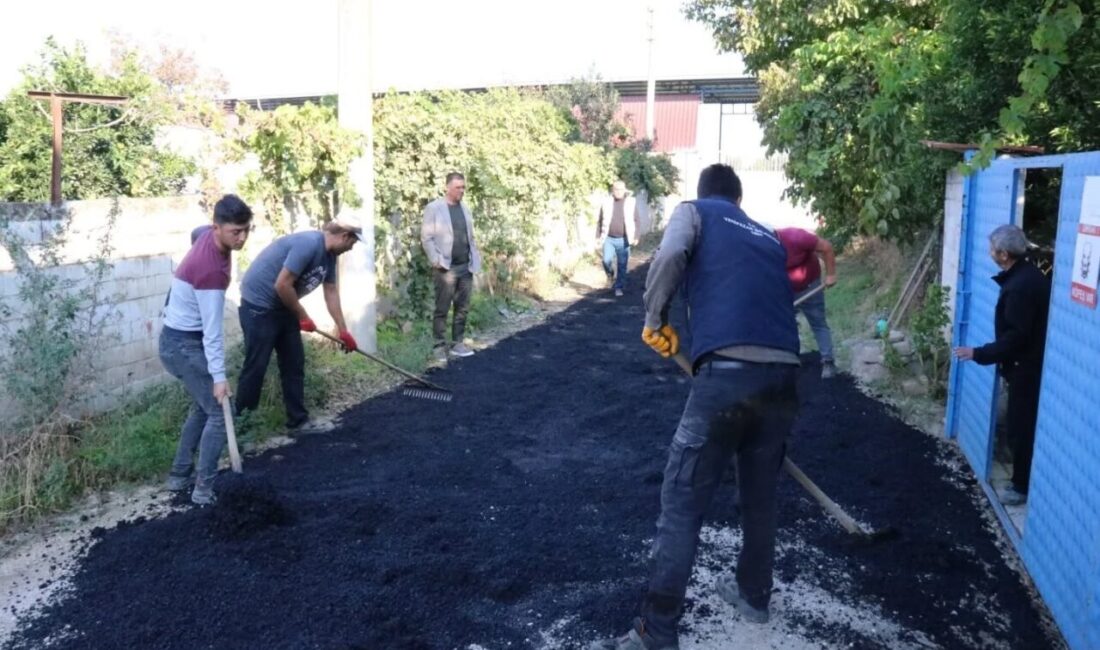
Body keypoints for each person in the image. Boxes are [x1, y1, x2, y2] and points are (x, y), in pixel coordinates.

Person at [592, 164, 801, 650]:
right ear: (739, 200)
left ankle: (657, 630)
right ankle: (754, 595)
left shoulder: (695, 212)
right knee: (760, 496)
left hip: (727, 377)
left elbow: (670, 255)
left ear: (705, 193)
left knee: (682, 501)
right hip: (786, 376)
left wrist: (655, 318)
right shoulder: (767, 236)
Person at [159, 194, 253, 505]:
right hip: (183, 345)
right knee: (220, 410)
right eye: (235, 232)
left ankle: (179, 474)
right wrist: (220, 378)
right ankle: (203, 490)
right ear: (217, 228)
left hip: (177, 340)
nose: (241, 238)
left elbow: (196, 232)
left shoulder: (206, 235)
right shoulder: (211, 271)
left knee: (203, 408)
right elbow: (213, 333)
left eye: (246, 230)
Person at [235, 215, 365, 430]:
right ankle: (243, 426)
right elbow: (282, 285)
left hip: (284, 306)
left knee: (294, 364)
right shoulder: (309, 245)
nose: (351, 248)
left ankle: (298, 421)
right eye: (353, 242)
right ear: (345, 236)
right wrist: (303, 316)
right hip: (259, 307)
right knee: (256, 366)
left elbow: (331, 291)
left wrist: (343, 331)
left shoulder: (330, 256)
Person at [955, 224, 1051, 506]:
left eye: (992, 249)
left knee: (1021, 426)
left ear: (1004, 254)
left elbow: (1016, 337)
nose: (990, 253)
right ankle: (1021, 473)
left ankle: (1020, 486)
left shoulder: (1020, 287)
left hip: (1026, 367)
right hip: (1026, 363)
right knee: (1020, 422)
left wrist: (978, 353)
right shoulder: (1027, 274)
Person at [421, 172, 482, 359]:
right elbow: (426, 237)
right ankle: (439, 346)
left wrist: (474, 257)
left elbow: (470, 236)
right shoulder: (434, 208)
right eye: (458, 187)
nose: (461, 191)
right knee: (442, 308)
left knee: (462, 307)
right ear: (447, 187)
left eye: (463, 187)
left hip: (466, 266)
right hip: (446, 268)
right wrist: (435, 260)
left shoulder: (465, 209)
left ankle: (457, 343)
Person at [776, 227, 838, 378]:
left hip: (811, 286)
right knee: (786, 325)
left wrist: (831, 275)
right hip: (785, 291)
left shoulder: (796, 237)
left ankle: (828, 361)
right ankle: (791, 360)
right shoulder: (763, 247)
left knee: (818, 323)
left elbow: (826, 247)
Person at [596, 180, 640, 297]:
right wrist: (598, 235)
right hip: (609, 238)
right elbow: (600, 220)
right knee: (606, 260)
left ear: (625, 190)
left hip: (624, 239)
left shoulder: (630, 202)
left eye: (621, 189)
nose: (619, 192)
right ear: (613, 190)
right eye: (616, 189)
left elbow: (637, 220)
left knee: (622, 265)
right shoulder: (606, 202)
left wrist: (636, 236)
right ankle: (610, 275)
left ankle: (618, 287)